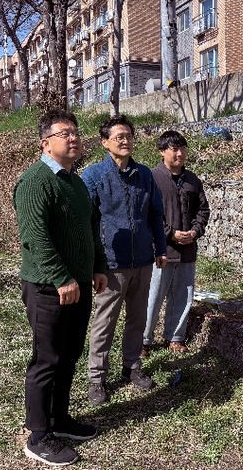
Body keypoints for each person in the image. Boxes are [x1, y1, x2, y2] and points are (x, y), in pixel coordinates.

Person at [13, 109, 108, 466]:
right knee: (47, 359)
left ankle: (60, 419)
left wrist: (97, 267)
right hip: (47, 286)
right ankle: (38, 434)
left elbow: (90, 229)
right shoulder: (35, 181)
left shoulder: (75, 182)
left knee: (69, 354)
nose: (73, 138)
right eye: (64, 133)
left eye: (75, 132)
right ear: (45, 143)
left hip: (78, 284)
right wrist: (61, 277)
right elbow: (34, 237)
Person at [82, 116, 167, 406]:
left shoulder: (144, 175)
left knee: (137, 318)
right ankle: (97, 378)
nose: (125, 140)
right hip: (111, 263)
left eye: (129, 135)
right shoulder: (94, 176)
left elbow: (155, 214)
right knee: (105, 321)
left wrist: (160, 248)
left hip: (142, 260)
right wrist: (95, 263)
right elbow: (87, 221)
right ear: (105, 142)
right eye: (119, 136)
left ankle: (132, 366)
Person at [142, 130, 210, 354]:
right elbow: (146, 213)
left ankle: (175, 337)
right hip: (160, 250)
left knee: (183, 295)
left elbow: (203, 210)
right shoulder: (151, 178)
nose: (180, 153)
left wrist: (195, 231)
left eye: (182, 148)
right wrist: (170, 233)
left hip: (187, 250)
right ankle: (143, 340)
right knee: (152, 297)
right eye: (174, 149)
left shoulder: (192, 180)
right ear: (162, 152)